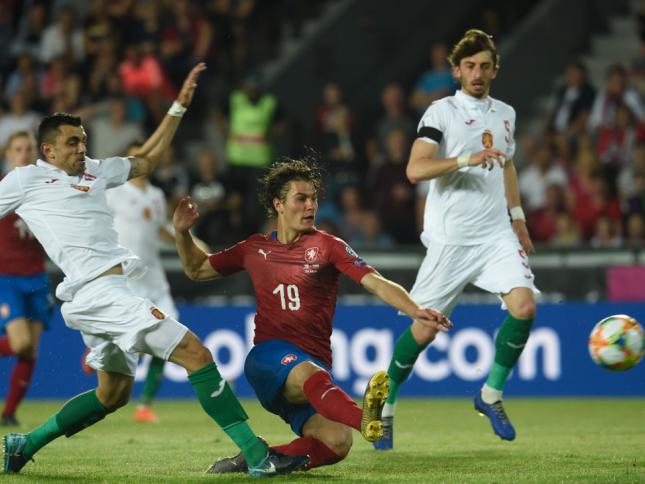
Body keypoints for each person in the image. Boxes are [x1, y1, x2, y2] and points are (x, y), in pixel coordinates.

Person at [0, 63, 308, 477]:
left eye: (84, 140)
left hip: (108, 292)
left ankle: (24, 445)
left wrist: (177, 107)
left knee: (112, 394)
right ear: (48, 151)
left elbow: (144, 160)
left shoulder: (94, 170)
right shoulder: (25, 180)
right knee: (197, 354)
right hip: (99, 293)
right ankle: (257, 455)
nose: (81, 148)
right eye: (72, 142)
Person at [170, 158, 452, 473]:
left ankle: (255, 459)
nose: (310, 206)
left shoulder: (328, 246)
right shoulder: (254, 249)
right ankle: (365, 419)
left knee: (337, 442)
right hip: (268, 359)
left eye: (314, 199)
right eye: (301, 199)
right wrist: (182, 233)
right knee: (308, 375)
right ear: (278, 204)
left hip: (314, 371)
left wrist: (416, 310)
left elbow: (375, 281)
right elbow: (197, 269)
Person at [376, 29, 539, 450]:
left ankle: (490, 394)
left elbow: (507, 165)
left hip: (495, 234)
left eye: (484, 66)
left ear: (495, 70)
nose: (477, 73)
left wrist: (517, 217)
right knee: (424, 331)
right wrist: (467, 158)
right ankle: (384, 406)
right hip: (451, 239)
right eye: (469, 66)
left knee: (524, 307)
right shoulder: (441, 112)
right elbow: (415, 169)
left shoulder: (505, 114)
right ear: (456, 71)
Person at [104, 142, 191, 424]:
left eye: (143, 156)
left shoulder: (156, 195)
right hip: (127, 280)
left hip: (155, 279)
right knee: (134, 341)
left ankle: (144, 406)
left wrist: (187, 241)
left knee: (170, 336)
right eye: (134, 156)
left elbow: (161, 231)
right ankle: (102, 351)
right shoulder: (114, 191)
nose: (139, 161)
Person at [0, 131, 52, 427]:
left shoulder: (47, 190)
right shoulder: (2, 188)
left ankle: (9, 413)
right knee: (20, 344)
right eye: (17, 148)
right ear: (8, 154)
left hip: (37, 278)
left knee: (31, 350)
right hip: (6, 278)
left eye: (28, 148)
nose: (23, 153)